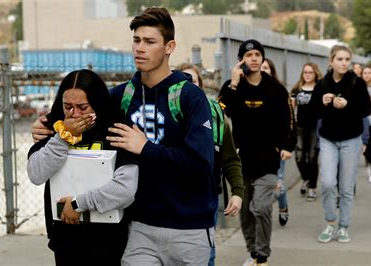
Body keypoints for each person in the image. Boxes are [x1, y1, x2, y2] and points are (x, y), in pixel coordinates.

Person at [105, 8, 217, 265]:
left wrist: (145, 148)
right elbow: (83, 116)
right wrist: (50, 127)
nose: (140, 48)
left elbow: (200, 163)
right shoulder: (122, 96)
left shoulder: (190, 96)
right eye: (136, 40)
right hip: (140, 227)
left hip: (189, 229)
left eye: (150, 41)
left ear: (170, 47)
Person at [27, 69, 139, 265]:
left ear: (98, 104)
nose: (75, 114)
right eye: (68, 106)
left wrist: (78, 204)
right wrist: (62, 137)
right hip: (66, 238)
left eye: (83, 107)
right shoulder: (53, 126)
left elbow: (125, 189)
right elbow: (36, 174)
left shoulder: (116, 130)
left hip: (109, 239)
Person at [219, 39, 294, 266]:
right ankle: (253, 253)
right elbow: (219, 111)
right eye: (248, 55)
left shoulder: (275, 88)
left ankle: (262, 256)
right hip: (241, 160)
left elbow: (289, 120)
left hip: (268, 160)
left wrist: (287, 146)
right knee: (246, 214)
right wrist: (233, 84)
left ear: (262, 58)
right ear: (241, 60)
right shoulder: (232, 86)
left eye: (257, 55)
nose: (253, 59)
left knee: (260, 207)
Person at [175, 62, 244, 266]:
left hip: (206, 195)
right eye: (182, 81)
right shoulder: (167, 117)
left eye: (192, 81)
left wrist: (238, 192)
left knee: (206, 254)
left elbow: (230, 158)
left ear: (201, 85)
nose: (188, 86)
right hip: (172, 197)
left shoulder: (216, 115)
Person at [309, 45, 371, 244]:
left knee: (346, 186)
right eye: (340, 59)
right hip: (328, 139)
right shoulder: (323, 83)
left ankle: (343, 226)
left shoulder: (357, 82)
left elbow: (366, 110)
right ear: (331, 61)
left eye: (347, 59)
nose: (344, 63)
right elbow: (311, 112)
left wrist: (347, 105)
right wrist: (322, 102)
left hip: (351, 140)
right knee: (327, 182)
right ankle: (330, 222)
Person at [260, 58, 296, 227]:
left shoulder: (279, 91)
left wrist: (288, 146)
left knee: (278, 183)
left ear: (271, 70)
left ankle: (283, 205)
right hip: (257, 148)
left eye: (266, 67)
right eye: (260, 67)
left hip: (277, 146)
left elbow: (290, 121)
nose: (262, 70)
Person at [290, 62, 323, 201]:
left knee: (312, 157)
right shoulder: (296, 88)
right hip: (300, 128)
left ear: (315, 73)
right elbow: (291, 109)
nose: (308, 75)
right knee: (298, 157)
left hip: (315, 128)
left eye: (310, 72)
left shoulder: (320, 88)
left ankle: (312, 188)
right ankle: (306, 178)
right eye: (305, 72)